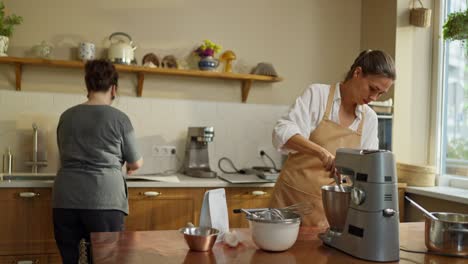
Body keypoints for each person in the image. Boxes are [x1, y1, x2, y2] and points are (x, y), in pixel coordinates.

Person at [270, 50, 395, 227]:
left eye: (381, 94)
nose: (374, 97)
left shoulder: (370, 119)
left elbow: (366, 170)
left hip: (328, 212)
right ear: (357, 73)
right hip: (288, 203)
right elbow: (281, 132)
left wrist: (345, 176)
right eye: (373, 89)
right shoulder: (318, 95)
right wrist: (321, 152)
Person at [52, 59, 143, 263]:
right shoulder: (120, 119)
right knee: (105, 260)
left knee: (70, 260)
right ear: (114, 89)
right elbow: (135, 162)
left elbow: (64, 153)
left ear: (88, 86)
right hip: (104, 200)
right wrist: (128, 164)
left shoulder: (66, 116)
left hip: (65, 199)